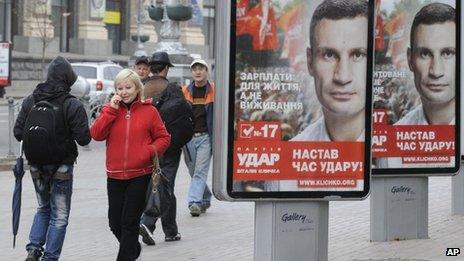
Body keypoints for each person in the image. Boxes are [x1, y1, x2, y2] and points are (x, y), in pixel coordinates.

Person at [274, 0, 368, 191]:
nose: (342, 76)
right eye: (329, 55)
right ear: (310, 61)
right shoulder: (288, 162)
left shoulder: (391, 151)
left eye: (358, 54)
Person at [13, 56, 91, 261]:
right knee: (60, 215)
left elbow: (18, 132)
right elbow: (84, 139)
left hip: (36, 164)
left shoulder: (31, 99)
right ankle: (50, 257)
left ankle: (33, 249)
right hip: (62, 167)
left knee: (43, 207)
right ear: (68, 79)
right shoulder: (71, 103)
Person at [90, 69, 170, 260]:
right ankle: (133, 250)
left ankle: (126, 256)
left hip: (140, 175)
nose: (124, 92)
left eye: (128, 87)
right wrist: (110, 110)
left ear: (137, 88)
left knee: (129, 222)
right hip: (115, 176)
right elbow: (96, 134)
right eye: (120, 88)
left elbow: (163, 138)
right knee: (115, 223)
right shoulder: (110, 110)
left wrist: (148, 151)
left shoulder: (149, 111)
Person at [377, 3, 456, 168]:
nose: (436, 71)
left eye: (448, 53)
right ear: (410, 59)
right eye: (425, 54)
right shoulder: (393, 145)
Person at [139, 51, 192, 245]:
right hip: (168, 147)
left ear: (151, 67)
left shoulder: (141, 88)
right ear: (167, 68)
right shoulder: (172, 89)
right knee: (163, 185)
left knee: (162, 186)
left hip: (144, 147)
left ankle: (171, 230)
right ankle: (147, 222)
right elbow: (185, 118)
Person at [182, 59, 214, 216]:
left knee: (200, 171)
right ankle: (206, 197)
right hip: (188, 139)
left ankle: (194, 202)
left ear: (206, 71)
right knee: (193, 171)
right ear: (192, 72)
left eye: (201, 68)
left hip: (206, 138)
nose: (198, 71)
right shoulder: (185, 92)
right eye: (195, 69)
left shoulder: (215, 91)